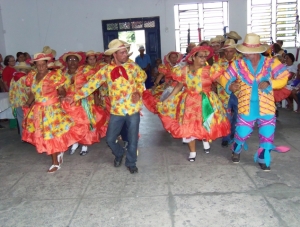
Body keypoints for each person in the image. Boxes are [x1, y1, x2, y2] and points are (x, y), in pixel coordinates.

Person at [68, 39, 146, 174]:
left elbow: (142, 78)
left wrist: (138, 92)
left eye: (126, 52)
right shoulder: (105, 70)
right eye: (122, 53)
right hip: (116, 111)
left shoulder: (132, 67)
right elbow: (90, 85)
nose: (125, 55)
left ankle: (131, 162)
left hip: (132, 109)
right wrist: (75, 96)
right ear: (114, 55)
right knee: (110, 139)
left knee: (133, 139)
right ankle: (119, 153)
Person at [219, 33, 290, 171]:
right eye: (244, 52)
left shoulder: (272, 62)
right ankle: (236, 149)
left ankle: (263, 159)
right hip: (246, 107)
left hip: (267, 107)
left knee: (267, 135)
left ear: (257, 52)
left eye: (249, 53)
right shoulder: (237, 64)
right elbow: (223, 77)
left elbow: (284, 77)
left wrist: (270, 82)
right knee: (241, 133)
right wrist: (229, 85)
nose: (246, 55)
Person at [157, 46, 230, 161]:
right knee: (189, 127)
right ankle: (193, 152)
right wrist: (169, 99)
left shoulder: (210, 69)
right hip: (189, 102)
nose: (203, 59)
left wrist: (230, 85)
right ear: (193, 57)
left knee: (205, 123)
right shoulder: (183, 70)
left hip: (205, 100)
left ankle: (205, 140)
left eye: (205, 56)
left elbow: (221, 80)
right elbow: (179, 85)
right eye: (200, 56)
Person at [22, 53, 87, 173]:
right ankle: (59, 152)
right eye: (38, 64)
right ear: (35, 65)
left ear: (47, 64)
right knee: (45, 135)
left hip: (52, 110)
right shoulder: (32, 77)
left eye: (43, 64)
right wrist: (28, 103)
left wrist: (62, 97)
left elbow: (61, 90)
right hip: (38, 110)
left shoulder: (54, 76)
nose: (41, 67)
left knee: (51, 136)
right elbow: (32, 93)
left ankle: (55, 162)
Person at [61, 52, 106, 156]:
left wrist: (96, 98)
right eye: (70, 60)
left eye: (75, 60)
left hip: (84, 101)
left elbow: (93, 85)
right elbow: (61, 89)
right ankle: (75, 142)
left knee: (85, 123)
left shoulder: (85, 70)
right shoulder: (63, 74)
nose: (72, 62)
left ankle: (85, 144)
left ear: (79, 61)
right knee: (73, 124)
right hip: (70, 103)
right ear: (66, 62)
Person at [214, 39, 242, 147]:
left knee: (238, 116)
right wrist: (228, 84)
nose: (228, 53)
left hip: (239, 93)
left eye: (231, 51)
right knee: (226, 117)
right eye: (226, 51)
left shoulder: (241, 62)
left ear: (235, 50)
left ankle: (234, 135)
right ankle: (226, 137)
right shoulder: (218, 64)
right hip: (223, 94)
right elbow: (216, 77)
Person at [9, 62, 32, 138]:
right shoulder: (25, 78)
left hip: (16, 102)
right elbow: (28, 91)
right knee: (28, 119)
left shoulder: (13, 78)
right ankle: (28, 136)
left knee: (20, 119)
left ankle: (23, 136)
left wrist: (12, 101)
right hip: (25, 101)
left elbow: (11, 90)